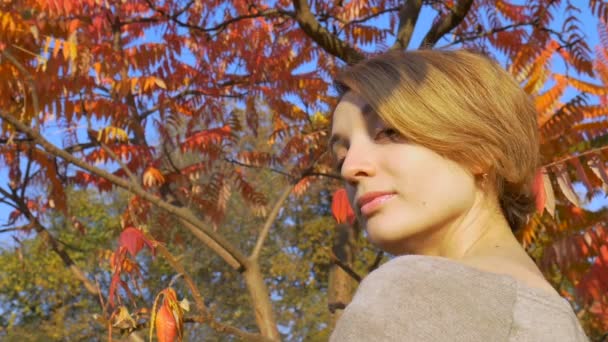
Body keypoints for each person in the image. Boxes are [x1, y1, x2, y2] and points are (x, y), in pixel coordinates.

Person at [328, 49, 589, 341]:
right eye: (341, 156)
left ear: (481, 150)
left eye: (388, 132)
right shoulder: (560, 323)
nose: (350, 169)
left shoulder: (407, 296)